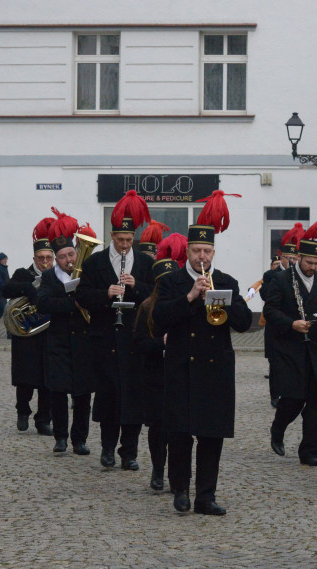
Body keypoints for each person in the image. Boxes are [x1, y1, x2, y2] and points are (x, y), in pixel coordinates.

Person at [153, 207, 253, 515]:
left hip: (215, 370)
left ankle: (205, 496)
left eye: (207, 250)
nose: (202, 256)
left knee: (212, 437)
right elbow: (158, 321)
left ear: (213, 252)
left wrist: (218, 299)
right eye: (196, 250)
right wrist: (190, 297)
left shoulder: (226, 281)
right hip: (182, 367)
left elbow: (244, 322)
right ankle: (180, 490)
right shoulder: (171, 282)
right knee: (180, 435)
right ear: (188, 252)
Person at [77, 194, 155, 471]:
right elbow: (83, 295)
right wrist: (105, 294)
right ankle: (108, 449)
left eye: (129, 241)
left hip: (135, 340)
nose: (124, 246)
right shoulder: (95, 263)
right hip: (105, 339)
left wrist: (137, 287)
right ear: (112, 236)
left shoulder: (145, 264)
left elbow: (156, 296)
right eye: (120, 240)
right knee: (109, 396)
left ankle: (129, 452)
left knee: (134, 397)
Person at [263, 217, 317, 467]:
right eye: (309, 262)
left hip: (316, 347)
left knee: (316, 402)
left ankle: (309, 451)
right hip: (290, 347)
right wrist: (291, 323)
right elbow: (270, 310)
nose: (312, 267)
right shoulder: (282, 280)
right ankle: (278, 427)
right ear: (299, 258)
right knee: (294, 398)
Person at [36, 212, 94, 456]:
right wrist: (73, 303)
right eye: (62, 257)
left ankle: (79, 439)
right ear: (55, 260)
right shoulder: (49, 277)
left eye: (71, 254)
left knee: (82, 394)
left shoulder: (86, 273)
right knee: (58, 392)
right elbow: (43, 303)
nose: (68, 259)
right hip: (58, 342)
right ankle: (61, 437)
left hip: (83, 342)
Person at [134, 233, 186, 491]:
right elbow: (140, 343)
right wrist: (160, 343)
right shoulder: (146, 306)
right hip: (155, 376)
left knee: (176, 429)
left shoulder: (183, 304)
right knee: (157, 427)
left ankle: (177, 476)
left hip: (179, 375)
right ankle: (157, 469)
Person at [1, 223, 55, 435]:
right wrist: (29, 288)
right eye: (40, 258)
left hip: (49, 335)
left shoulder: (58, 277)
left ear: (52, 258)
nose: (44, 262)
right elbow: (7, 289)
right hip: (26, 338)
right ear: (34, 259)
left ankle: (44, 420)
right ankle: (22, 410)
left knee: (47, 382)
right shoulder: (23, 273)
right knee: (25, 381)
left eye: (48, 258)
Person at [261, 224, 304, 408]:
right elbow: (265, 296)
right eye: (289, 258)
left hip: (294, 325)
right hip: (276, 326)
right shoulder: (271, 275)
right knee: (276, 363)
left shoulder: (300, 276)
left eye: (295, 258)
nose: (292, 261)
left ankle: (291, 393)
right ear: (281, 258)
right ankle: (276, 395)